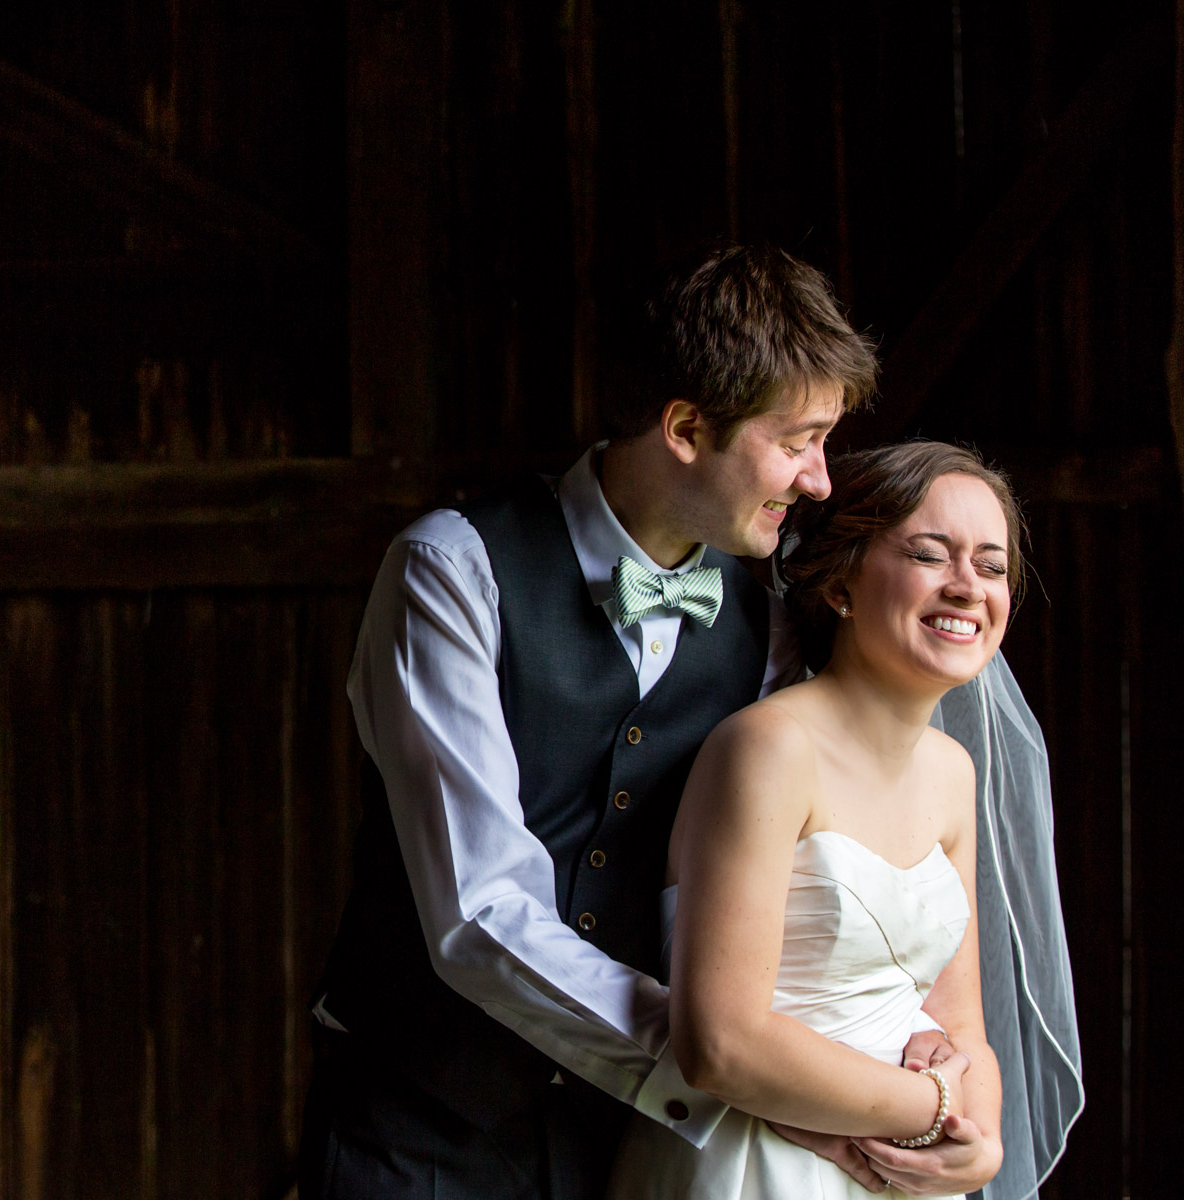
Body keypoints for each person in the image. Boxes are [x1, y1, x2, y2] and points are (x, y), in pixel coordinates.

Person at [297, 243, 888, 1199]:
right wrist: (717, 1063)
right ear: (687, 427)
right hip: (419, 1129)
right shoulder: (452, 571)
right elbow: (478, 914)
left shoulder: (764, 619)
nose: (819, 480)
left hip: (628, 1147)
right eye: (797, 441)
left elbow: (784, 874)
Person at [606, 442, 1032, 1198]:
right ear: (840, 585)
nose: (969, 587)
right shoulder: (768, 749)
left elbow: (961, 1021)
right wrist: (933, 1105)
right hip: (759, 1162)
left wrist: (984, 1145)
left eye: (993, 566)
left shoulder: (952, 771)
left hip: (907, 1170)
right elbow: (721, 1045)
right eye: (932, 555)